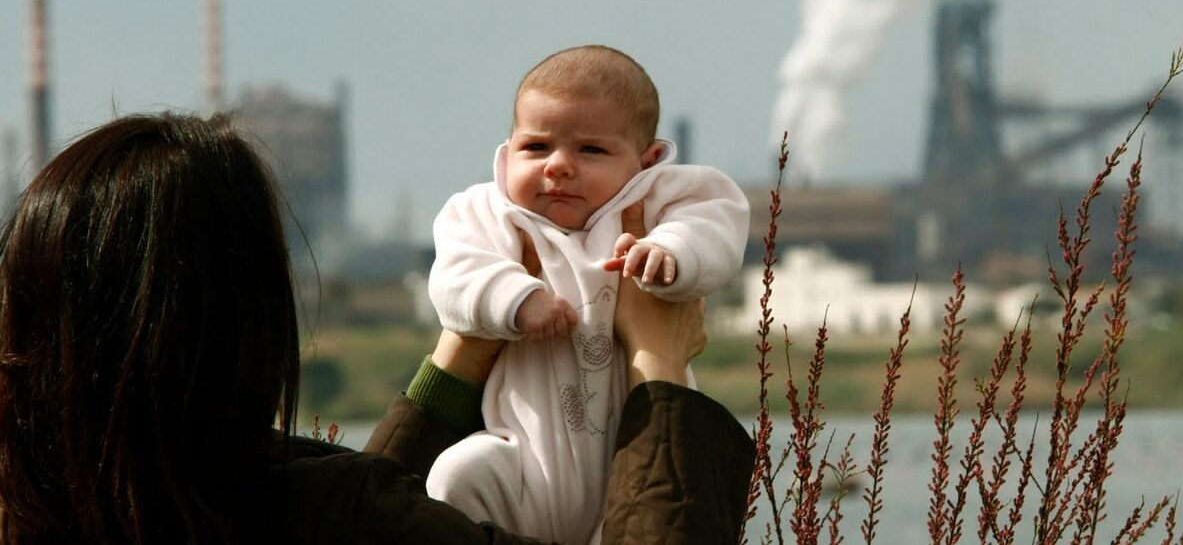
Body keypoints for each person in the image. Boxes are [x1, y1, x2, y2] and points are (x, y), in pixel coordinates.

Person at [0, 112, 754, 544]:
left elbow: (359, 507)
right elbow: (348, 519)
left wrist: (458, 360)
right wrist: (657, 367)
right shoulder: (303, 511)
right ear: (247, 319)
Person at [426, 45, 750, 542]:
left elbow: (719, 218)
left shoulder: (651, 202)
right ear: (506, 152)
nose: (558, 166)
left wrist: (669, 251)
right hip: (521, 461)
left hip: (627, 458)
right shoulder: (487, 214)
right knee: (457, 472)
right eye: (536, 147)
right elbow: (452, 279)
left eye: (591, 150)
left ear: (648, 162)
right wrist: (514, 299)